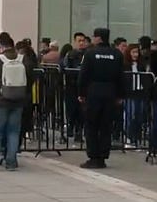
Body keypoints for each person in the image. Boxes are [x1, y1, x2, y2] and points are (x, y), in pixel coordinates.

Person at [0, 34, 34, 171]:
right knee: (13, 132)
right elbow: (30, 79)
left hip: (0, 100)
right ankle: (11, 162)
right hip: (18, 100)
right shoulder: (24, 60)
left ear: (2, 46)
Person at [77, 28, 125, 169]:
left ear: (98, 38)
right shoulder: (116, 54)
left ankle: (93, 156)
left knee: (91, 125)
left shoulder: (90, 53)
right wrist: (120, 95)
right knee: (106, 126)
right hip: (111, 92)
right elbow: (121, 76)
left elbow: (83, 75)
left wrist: (81, 93)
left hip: (94, 92)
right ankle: (103, 156)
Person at [63, 32, 88, 143]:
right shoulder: (70, 54)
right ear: (74, 42)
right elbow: (65, 67)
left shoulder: (88, 54)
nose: (82, 43)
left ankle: (79, 132)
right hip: (72, 87)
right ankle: (70, 127)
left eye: (83, 40)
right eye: (79, 41)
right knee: (71, 109)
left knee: (82, 112)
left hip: (83, 87)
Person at [124, 44, 148, 148]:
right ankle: (129, 137)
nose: (135, 54)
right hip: (130, 92)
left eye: (137, 52)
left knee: (140, 115)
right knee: (131, 115)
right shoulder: (125, 65)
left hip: (140, 92)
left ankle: (137, 137)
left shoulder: (141, 65)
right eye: (133, 52)